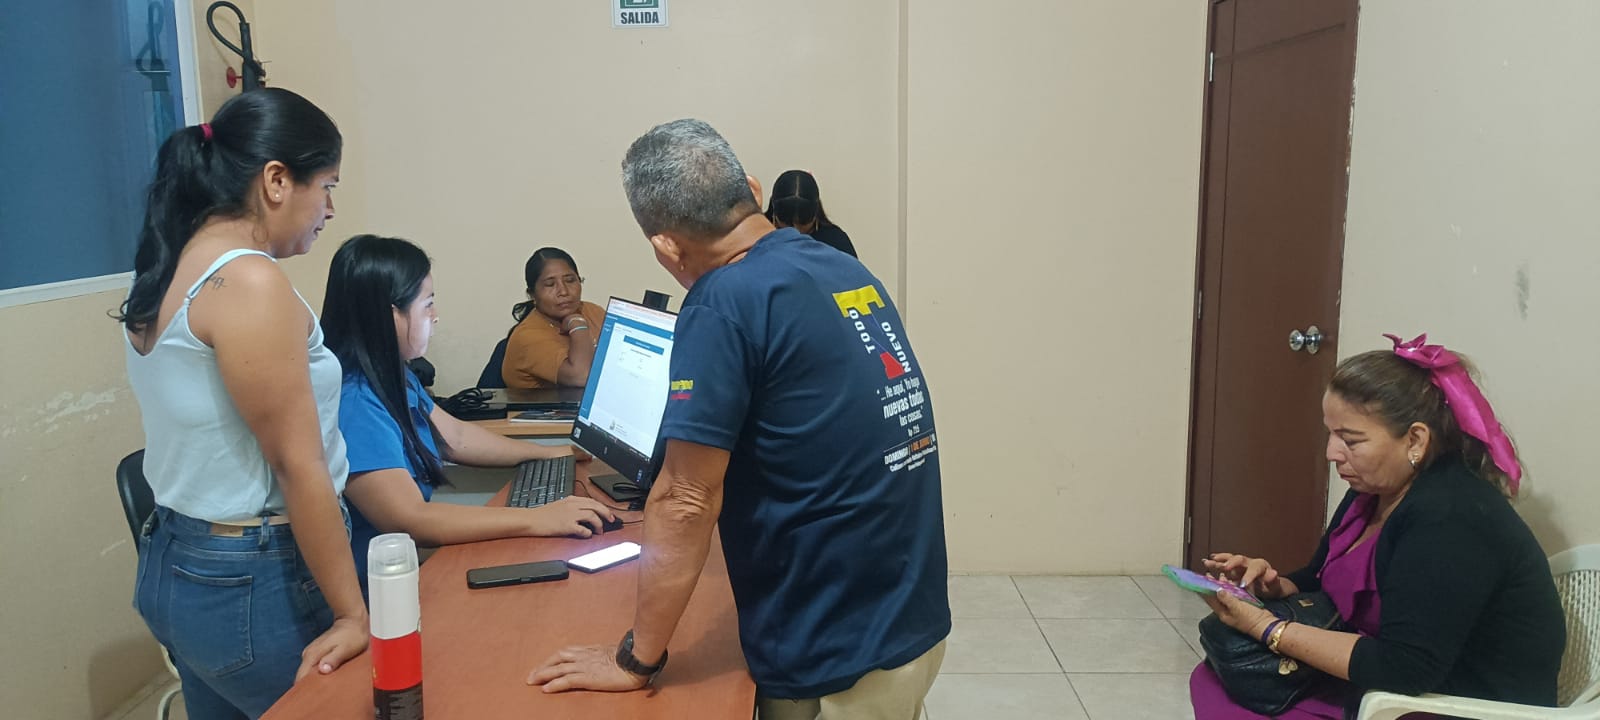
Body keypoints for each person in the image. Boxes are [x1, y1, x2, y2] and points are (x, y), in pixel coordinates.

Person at [528, 120, 950, 719]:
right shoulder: (845, 269)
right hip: (910, 613)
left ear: (666, 246)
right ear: (751, 188)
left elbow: (687, 497)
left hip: (833, 650)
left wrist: (634, 660)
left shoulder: (723, 300)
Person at [118, 88, 366, 719]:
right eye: (326, 186)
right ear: (276, 181)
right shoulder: (249, 282)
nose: (330, 209)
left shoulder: (165, 268)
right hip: (253, 577)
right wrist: (352, 614)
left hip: (178, 559)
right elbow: (296, 464)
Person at [1190, 334, 1566, 718]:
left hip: (1459, 701)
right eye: (1331, 433)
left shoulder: (1449, 517)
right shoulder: (1372, 492)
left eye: (1350, 440)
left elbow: (1406, 668)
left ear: (1415, 440)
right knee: (1216, 678)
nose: (1332, 453)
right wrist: (1273, 586)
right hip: (1390, 675)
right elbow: (1320, 578)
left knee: (1240, 701)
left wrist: (1266, 628)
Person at [320, 234, 617, 594]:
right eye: (427, 304)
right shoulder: (356, 400)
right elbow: (411, 518)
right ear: (390, 314)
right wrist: (537, 518)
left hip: (396, 574)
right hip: (369, 590)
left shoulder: (392, 376)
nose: (436, 316)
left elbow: (456, 437)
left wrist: (548, 454)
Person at [501, 247, 607, 389]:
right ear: (532, 294)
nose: (563, 291)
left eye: (570, 280)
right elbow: (582, 376)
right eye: (550, 284)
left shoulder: (592, 311)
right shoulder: (527, 337)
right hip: (544, 404)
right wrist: (577, 324)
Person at [766, 169, 857, 258]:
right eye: (787, 222)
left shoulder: (836, 243)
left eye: (803, 222)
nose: (795, 231)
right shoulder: (760, 237)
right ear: (774, 210)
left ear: (815, 212)